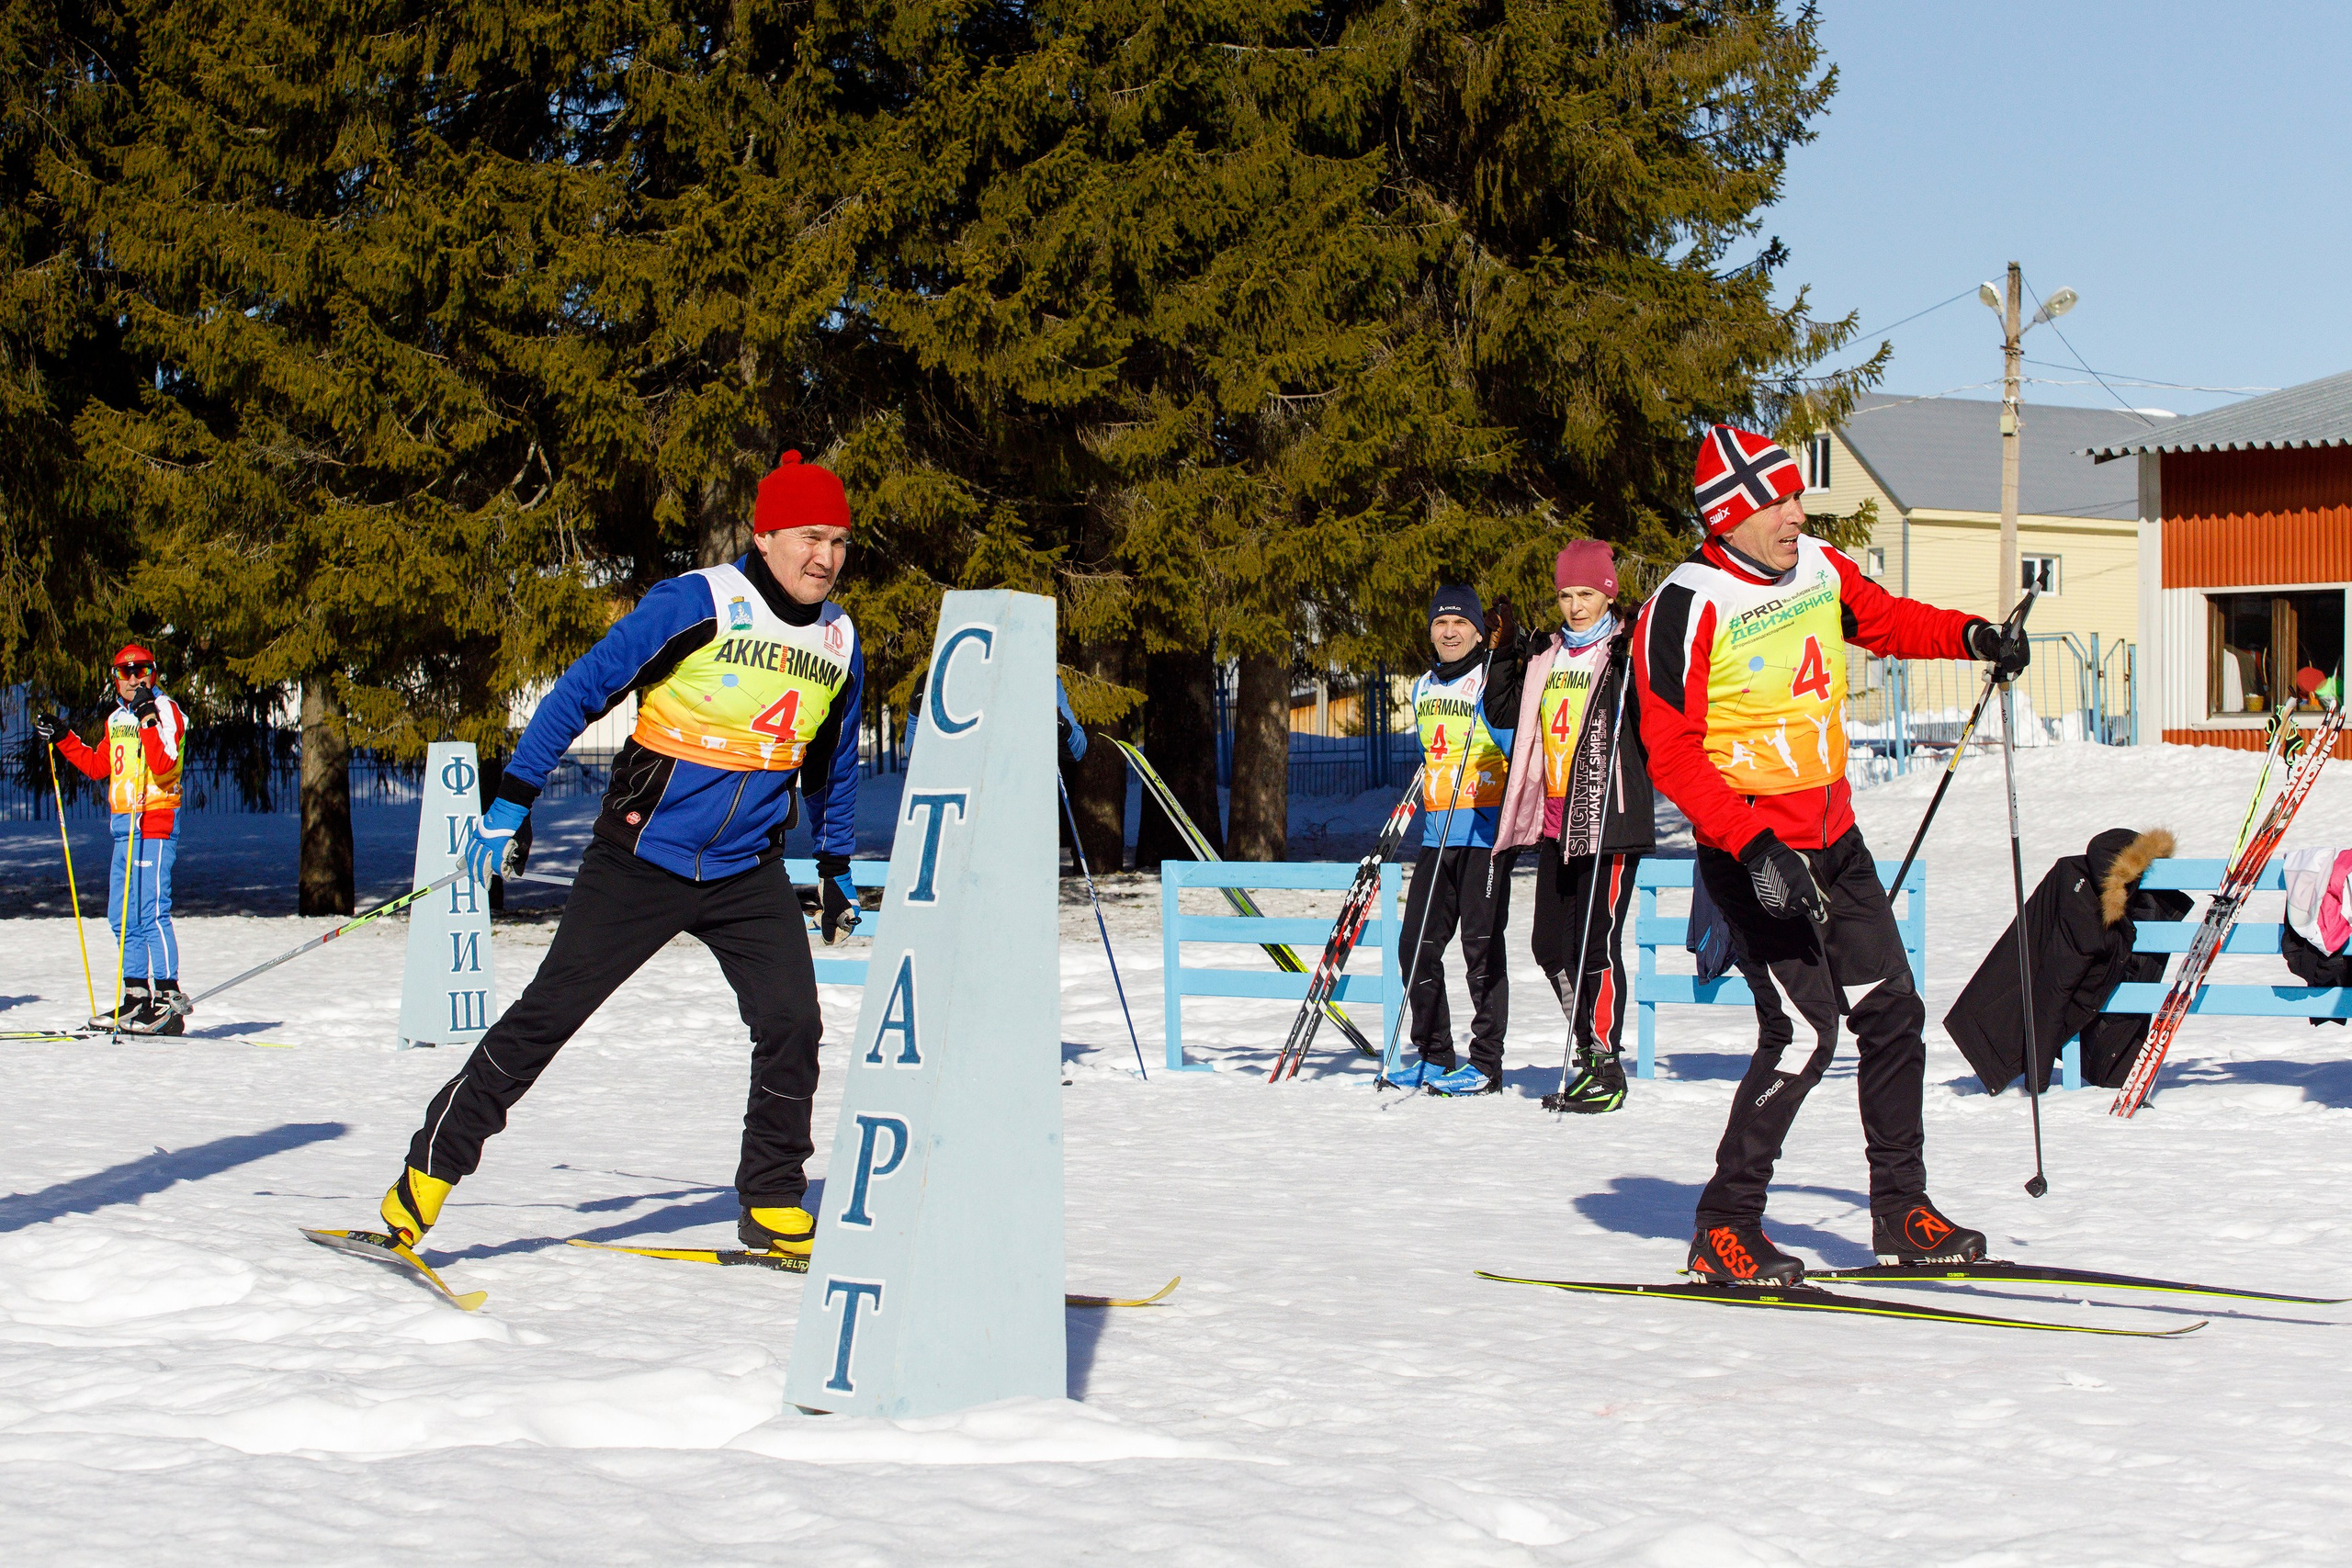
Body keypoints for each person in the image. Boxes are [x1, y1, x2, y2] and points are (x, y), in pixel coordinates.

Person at [373, 449, 865, 1260]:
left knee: (792, 1022)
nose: (826, 558)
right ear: (765, 534)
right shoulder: (701, 603)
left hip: (746, 871)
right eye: (811, 537)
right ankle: (422, 1183)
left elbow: (834, 762)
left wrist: (835, 866)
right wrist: (511, 799)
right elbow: (581, 688)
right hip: (642, 856)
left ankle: (774, 1199)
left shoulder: (842, 639)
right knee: (548, 1017)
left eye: (840, 541)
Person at [1635, 423, 2030, 1282]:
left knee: (1892, 1012)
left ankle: (1902, 1210)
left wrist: (1972, 638)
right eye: (1775, 500)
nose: (1794, 513)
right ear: (1729, 514)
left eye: (1794, 496)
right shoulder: (1684, 603)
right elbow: (1670, 749)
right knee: (1804, 1033)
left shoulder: (1818, 567)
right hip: (1753, 855)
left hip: (1835, 840)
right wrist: (1749, 842)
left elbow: (1882, 620)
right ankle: (1723, 1224)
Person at [1487, 542, 1655, 1113]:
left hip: (1609, 821)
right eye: (1566, 595)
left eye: (1587, 594)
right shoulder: (1550, 655)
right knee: (1548, 947)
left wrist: (1638, 654)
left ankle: (1604, 1065)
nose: (1576, 606)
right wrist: (1507, 651)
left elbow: (1658, 721)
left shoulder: (1624, 653)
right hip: (1558, 821)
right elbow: (1507, 713)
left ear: (1608, 592)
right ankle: (1587, 1048)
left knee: (1594, 945)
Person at [1391, 587, 1517, 1096]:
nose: (1449, 632)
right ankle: (1436, 1056)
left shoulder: (1493, 681)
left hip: (1484, 838)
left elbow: (1515, 742)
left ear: (1478, 630)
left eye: (1460, 623)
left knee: (1481, 950)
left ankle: (1486, 1064)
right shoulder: (1423, 686)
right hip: (1437, 838)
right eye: (1440, 624)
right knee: (1415, 948)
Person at [33, 644, 191, 1034]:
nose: (133, 679)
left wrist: (148, 717)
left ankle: (168, 999)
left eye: (141, 671)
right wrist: (64, 737)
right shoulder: (117, 719)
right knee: (122, 917)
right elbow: (98, 765)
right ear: (115, 678)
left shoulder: (165, 709)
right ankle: (137, 995)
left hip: (153, 822)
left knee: (153, 912)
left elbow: (165, 764)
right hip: (124, 827)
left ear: (153, 674)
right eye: (125, 673)